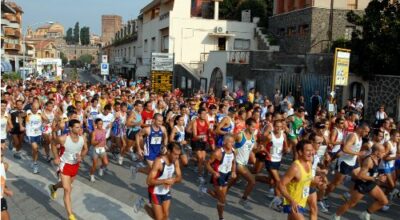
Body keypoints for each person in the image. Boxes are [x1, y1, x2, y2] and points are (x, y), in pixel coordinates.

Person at [331, 144, 389, 220]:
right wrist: (376, 178)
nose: (384, 153)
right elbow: (360, 176)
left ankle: (366, 214)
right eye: (383, 152)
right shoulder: (369, 161)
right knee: (351, 204)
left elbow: (373, 172)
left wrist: (380, 176)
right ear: (377, 152)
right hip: (362, 184)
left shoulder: (378, 158)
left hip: (371, 183)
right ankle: (336, 216)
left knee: (383, 201)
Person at [48, 119, 88, 220]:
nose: (80, 129)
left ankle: (53, 187)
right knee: (67, 189)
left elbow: (85, 149)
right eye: (77, 127)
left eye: (80, 127)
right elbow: (53, 143)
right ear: (70, 128)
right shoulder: (63, 139)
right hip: (64, 165)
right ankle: (70, 215)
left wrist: (81, 157)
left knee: (66, 185)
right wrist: (56, 157)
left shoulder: (83, 138)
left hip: (75, 165)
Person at [134, 142, 182, 220]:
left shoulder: (175, 161)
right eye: (175, 154)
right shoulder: (159, 162)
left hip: (165, 191)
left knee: (165, 216)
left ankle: (142, 204)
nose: (177, 157)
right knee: (159, 219)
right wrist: (165, 181)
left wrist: (173, 180)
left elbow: (179, 177)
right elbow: (149, 181)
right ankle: (143, 204)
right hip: (155, 192)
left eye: (178, 155)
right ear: (169, 152)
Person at [278, 140, 319, 220]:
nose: (311, 153)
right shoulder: (295, 168)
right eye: (308, 151)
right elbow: (281, 184)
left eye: (311, 150)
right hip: (292, 203)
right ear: (300, 152)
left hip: (302, 201)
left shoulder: (309, 163)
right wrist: (291, 201)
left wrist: (315, 182)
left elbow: (306, 180)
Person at [204, 134, 236, 220]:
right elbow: (207, 164)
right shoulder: (218, 153)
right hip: (218, 175)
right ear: (225, 142)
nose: (232, 144)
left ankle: (206, 190)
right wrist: (213, 172)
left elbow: (233, 162)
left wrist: (233, 171)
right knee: (222, 199)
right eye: (230, 142)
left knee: (221, 197)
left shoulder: (233, 151)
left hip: (227, 175)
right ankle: (221, 218)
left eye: (233, 142)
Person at [228, 118, 257, 209]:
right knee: (252, 181)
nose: (254, 129)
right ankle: (243, 199)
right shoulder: (240, 135)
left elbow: (253, 149)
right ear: (247, 126)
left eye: (255, 127)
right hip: (237, 163)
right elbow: (229, 141)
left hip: (244, 163)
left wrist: (259, 149)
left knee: (233, 180)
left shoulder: (253, 137)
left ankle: (220, 192)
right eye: (252, 127)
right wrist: (233, 150)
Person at [25, 102, 44, 174]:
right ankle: (35, 165)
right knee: (35, 148)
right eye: (34, 108)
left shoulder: (40, 112)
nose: (36, 110)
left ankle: (33, 161)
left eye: (37, 108)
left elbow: (46, 119)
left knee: (34, 150)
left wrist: (45, 122)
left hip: (38, 133)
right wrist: (21, 125)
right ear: (31, 107)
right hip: (30, 133)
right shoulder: (28, 112)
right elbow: (20, 116)